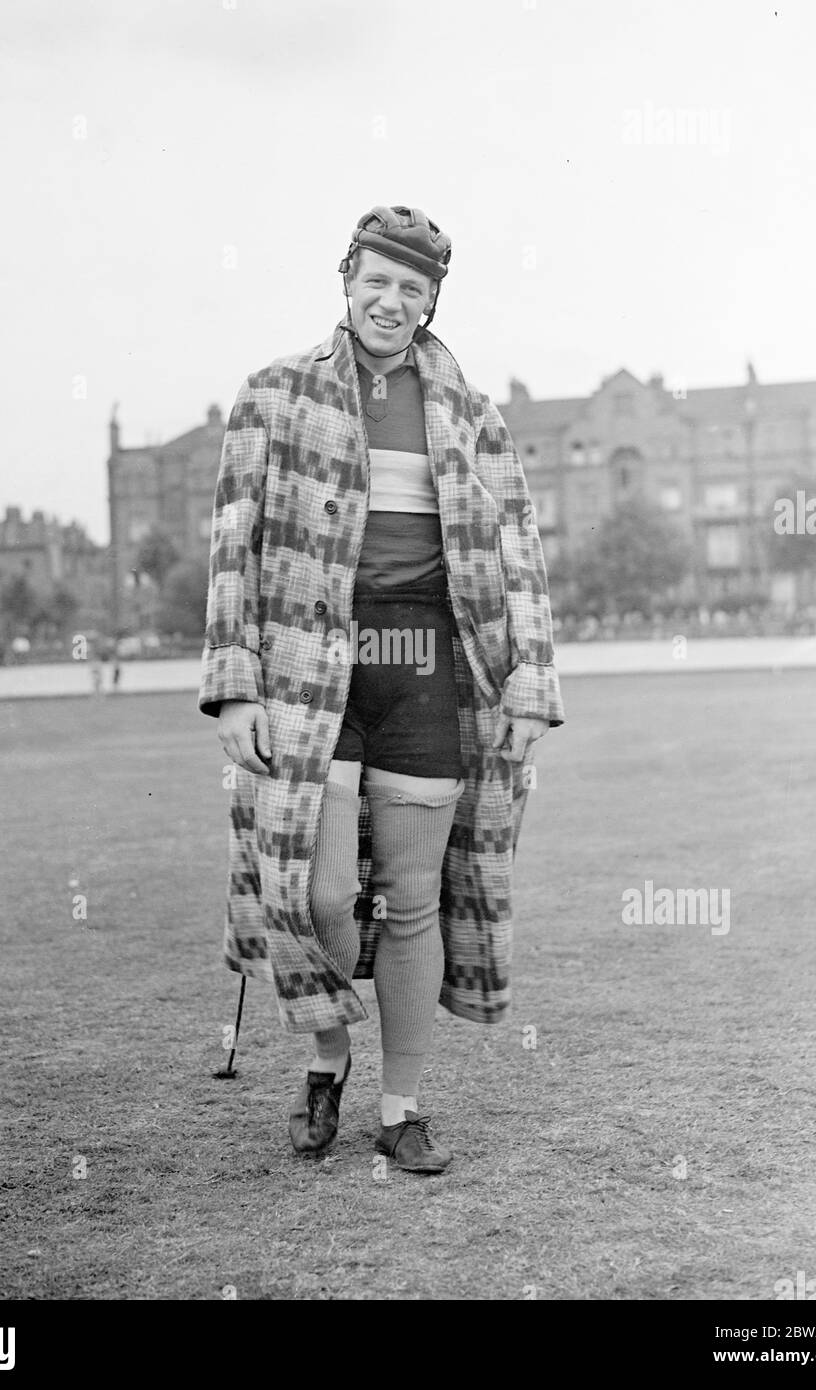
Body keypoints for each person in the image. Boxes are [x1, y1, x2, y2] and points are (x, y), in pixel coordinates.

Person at [199, 205, 565, 1173]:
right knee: (316, 894)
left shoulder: (473, 417)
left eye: (413, 288)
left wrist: (529, 683)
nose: (391, 301)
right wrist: (234, 687)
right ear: (345, 278)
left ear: (432, 299)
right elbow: (231, 551)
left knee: (410, 900)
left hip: (427, 672)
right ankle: (327, 1056)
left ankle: (399, 1107)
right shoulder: (271, 395)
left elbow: (519, 557)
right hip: (309, 674)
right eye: (377, 281)